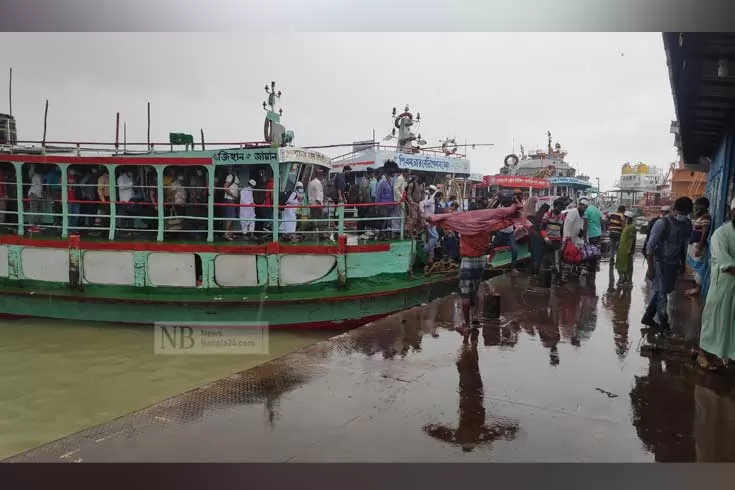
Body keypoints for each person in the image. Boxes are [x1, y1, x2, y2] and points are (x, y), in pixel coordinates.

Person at [642, 196, 694, 331]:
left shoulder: (687, 224)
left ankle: (648, 316)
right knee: (662, 293)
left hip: (674, 262)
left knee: (663, 290)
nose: (683, 216)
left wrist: (683, 264)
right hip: (659, 261)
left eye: (686, 213)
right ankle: (664, 324)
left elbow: (684, 245)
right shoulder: (662, 224)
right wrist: (650, 268)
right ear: (675, 210)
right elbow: (650, 247)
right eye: (681, 212)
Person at [696, 198, 735, 372]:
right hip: (723, 286)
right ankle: (703, 354)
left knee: (730, 324)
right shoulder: (721, 234)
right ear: (732, 212)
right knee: (715, 320)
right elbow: (726, 263)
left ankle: (726, 355)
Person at [685, 196, 712, 297]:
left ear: (703, 206)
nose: (695, 206)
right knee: (696, 268)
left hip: (698, 245)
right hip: (694, 244)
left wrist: (700, 246)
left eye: (697, 204)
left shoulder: (705, 217)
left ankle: (697, 289)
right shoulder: (700, 216)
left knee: (699, 268)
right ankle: (696, 287)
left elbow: (704, 232)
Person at [615, 210, 637, 287]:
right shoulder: (626, 226)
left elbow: (631, 239)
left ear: (628, 218)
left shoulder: (632, 227)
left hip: (626, 249)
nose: (623, 219)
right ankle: (623, 279)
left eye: (624, 218)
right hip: (622, 248)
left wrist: (629, 249)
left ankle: (628, 280)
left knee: (628, 265)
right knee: (621, 264)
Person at [583, 198, 604, 271]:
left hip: (591, 233)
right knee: (595, 250)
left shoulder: (586, 211)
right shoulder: (596, 209)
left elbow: (585, 225)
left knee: (590, 251)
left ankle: (591, 267)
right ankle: (594, 266)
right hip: (598, 233)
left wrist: (585, 237)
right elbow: (602, 220)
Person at [222, 167, 240, 240]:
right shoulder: (230, 176)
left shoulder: (236, 177)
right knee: (230, 217)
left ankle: (231, 233)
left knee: (232, 217)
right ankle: (226, 234)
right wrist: (233, 195)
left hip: (233, 200)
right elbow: (225, 187)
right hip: (229, 199)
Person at [307, 169, 325, 240]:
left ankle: (314, 233)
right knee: (320, 220)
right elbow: (318, 195)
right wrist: (321, 205)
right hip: (317, 204)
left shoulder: (311, 182)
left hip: (312, 204)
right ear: (320, 175)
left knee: (314, 219)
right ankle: (320, 234)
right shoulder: (317, 183)